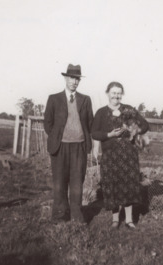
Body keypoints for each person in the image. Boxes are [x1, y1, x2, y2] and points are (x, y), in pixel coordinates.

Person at [91, 81, 149, 229]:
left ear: (122, 94)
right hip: (110, 155)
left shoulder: (128, 110)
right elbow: (95, 133)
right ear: (107, 93)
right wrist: (108, 134)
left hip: (128, 156)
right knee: (112, 185)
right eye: (113, 92)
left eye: (119, 93)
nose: (116, 95)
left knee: (128, 185)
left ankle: (129, 220)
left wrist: (134, 130)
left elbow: (145, 125)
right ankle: (115, 220)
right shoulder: (101, 112)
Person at [44, 64, 93, 223]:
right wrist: (58, 137)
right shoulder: (54, 98)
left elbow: (90, 123)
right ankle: (59, 218)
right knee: (59, 184)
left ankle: (77, 218)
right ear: (65, 78)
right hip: (60, 147)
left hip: (79, 147)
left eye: (77, 79)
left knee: (77, 183)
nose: (74, 81)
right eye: (72, 78)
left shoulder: (85, 100)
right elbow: (48, 123)